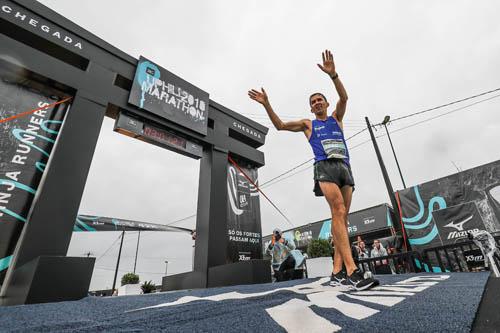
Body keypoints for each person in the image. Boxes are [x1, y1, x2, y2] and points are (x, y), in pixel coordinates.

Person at [249, 50, 378, 290]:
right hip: (324, 167)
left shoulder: (337, 118)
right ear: (311, 108)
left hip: (344, 167)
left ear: (327, 104)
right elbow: (279, 126)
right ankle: (352, 272)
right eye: (313, 101)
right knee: (339, 210)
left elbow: (345, 98)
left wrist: (334, 75)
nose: (317, 102)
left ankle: (336, 271)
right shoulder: (308, 124)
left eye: (320, 99)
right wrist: (267, 104)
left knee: (341, 217)